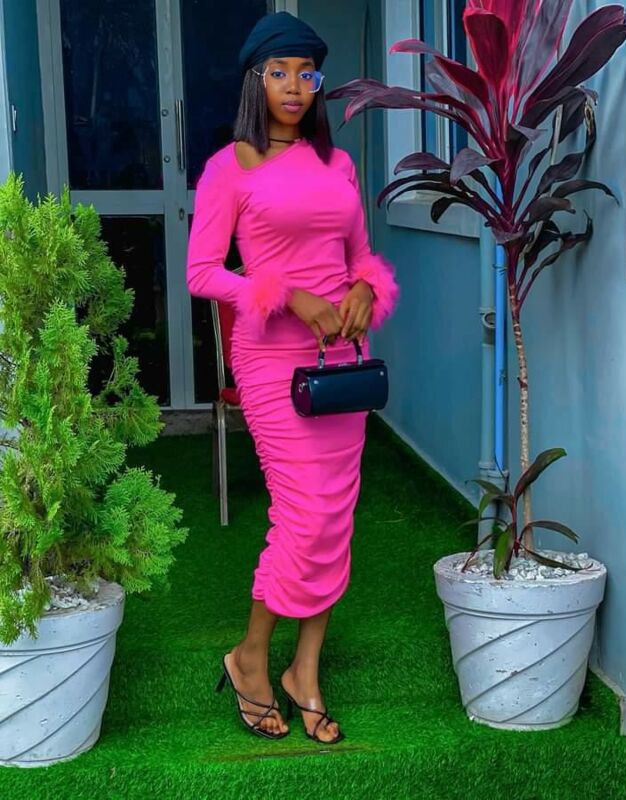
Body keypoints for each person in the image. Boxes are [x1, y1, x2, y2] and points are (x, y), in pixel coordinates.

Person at [186, 11, 399, 744]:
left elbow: (360, 254)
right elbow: (202, 272)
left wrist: (366, 287)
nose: (294, 86)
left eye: (307, 74)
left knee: (335, 515)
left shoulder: (336, 166)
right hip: (273, 358)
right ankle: (251, 656)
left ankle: (302, 671)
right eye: (279, 72)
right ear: (256, 79)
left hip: (341, 359)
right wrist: (287, 294)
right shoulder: (230, 167)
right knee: (302, 515)